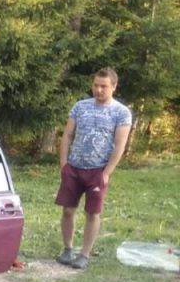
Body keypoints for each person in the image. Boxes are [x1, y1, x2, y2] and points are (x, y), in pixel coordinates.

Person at [56, 68, 132, 270]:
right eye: (96, 85)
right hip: (73, 167)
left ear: (114, 87)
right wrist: (64, 164)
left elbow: (119, 146)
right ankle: (67, 249)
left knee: (92, 213)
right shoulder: (80, 107)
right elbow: (67, 136)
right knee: (68, 210)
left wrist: (106, 173)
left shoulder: (121, 113)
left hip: (98, 170)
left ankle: (84, 254)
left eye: (104, 86)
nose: (99, 90)